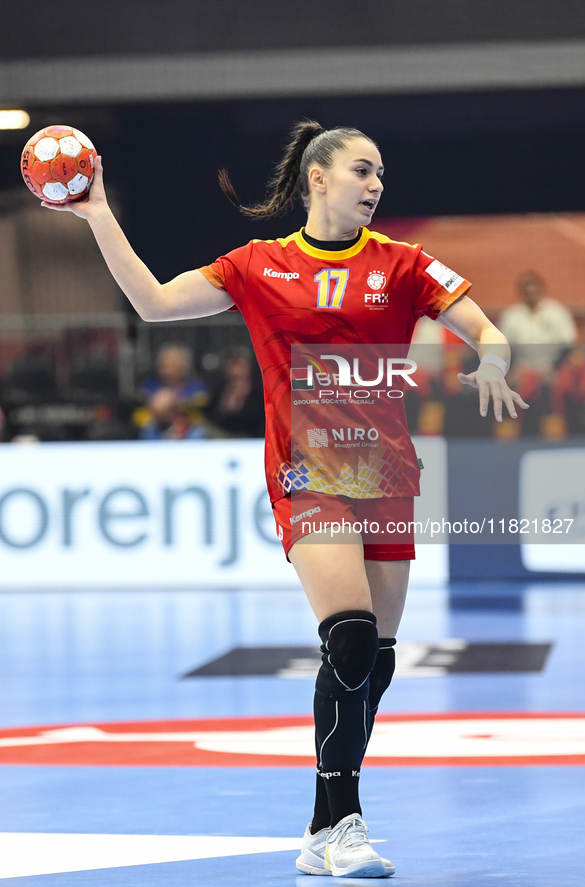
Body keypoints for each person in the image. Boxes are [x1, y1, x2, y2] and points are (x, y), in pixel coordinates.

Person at [42, 121, 527, 879]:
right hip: (307, 471)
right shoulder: (256, 265)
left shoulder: (402, 264)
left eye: (382, 175)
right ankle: (346, 822)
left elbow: (485, 331)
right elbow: (154, 304)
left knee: (381, 661)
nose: (375, 185)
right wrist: (98, 211)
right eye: (362, 170)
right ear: (318, 178)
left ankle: (322, 826)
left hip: (385, 474)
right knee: (353, 639)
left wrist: (493, 363)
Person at [498, 271, 577, 373]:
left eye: (534, 291)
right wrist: (511, 369)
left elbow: (568, 344)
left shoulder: (558, 313)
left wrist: (554, 369)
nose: (531, 296)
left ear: (541, 290)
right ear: (521, 292)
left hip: (554, 369)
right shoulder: (510, 317)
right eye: (528, 293)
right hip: (521, 370)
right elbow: (503, 348)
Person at [133, 342, 208, 439]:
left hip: (187, 433)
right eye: (161, 365)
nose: (162, 370)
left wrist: (172, 402)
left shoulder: (194, 386)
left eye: (166, 365)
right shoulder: (151, 384)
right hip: (156, 429)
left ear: (181, 367)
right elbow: (140, 396)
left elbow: (201, 399)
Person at [204, 346, 265, 437]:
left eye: (238, 365)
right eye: (232, 365)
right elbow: (211, 416)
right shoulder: (219, 390)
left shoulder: (258, 391)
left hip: (251, 439)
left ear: (248, 367)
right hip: (222, 438)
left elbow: (259, 419)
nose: (235, 371)